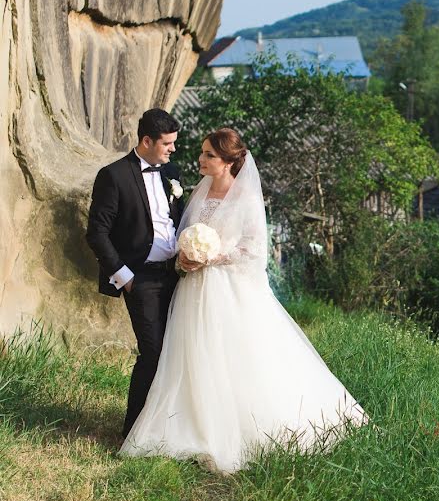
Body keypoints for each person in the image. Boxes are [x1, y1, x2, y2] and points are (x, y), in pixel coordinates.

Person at [120, 128, 367, 473]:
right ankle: (190, 423)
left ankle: (237, 427)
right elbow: (181, 237)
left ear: (229, 162)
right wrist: (184, 258)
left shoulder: (247, 200)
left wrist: (211, 256)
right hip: (193, 289)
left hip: (228, 289)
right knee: (192, 355)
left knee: (230, 357)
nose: (201, 159)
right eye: (203, 153)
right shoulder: (199, 192)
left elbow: (255, 253)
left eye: (209, 155)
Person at [86, 109, 184, 438]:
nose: (172, 149)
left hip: (177, 276)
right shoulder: (113, 176)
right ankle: (134, 432)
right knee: (153, 351)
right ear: (146, 141)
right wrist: (124, 277)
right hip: (140, 279)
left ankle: (168, 427)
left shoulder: (172, 172)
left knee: (177, 349)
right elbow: (96, 233)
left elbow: (175, 220)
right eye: (167, 143)